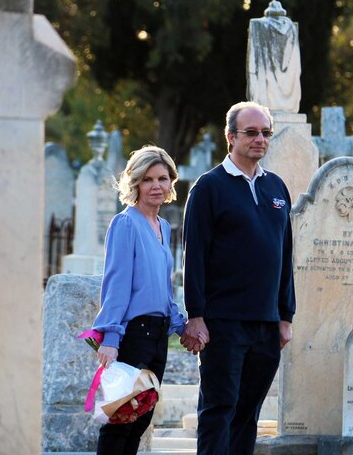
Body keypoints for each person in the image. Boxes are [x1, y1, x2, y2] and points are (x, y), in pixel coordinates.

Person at [182, 101, 296, 454]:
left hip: (265, 324)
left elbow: (285, 254)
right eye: (251, 132)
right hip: (223, 323)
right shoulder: (208, 188)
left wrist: (285, 315)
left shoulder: (276, 187)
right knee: (219, 410)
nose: (259, 139)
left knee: (248, 414)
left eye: (265, 133)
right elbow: (195, 255)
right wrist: (196, 315)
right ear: (230, 137)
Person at [91, 145, 190, 454]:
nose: (156, 186)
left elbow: (162, 289)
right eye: (148, 179)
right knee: (120, 421)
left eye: (163, 178)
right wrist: (110, 336)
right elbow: (117, 284)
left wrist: (181, 326)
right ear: (134, 183)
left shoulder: (163, 227)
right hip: (134, 333)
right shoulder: (125, 224)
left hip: (159, 335)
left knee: (141, 421)